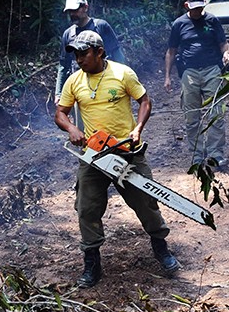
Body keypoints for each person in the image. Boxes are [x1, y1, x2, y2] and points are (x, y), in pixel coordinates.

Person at [55, 30, 181, 288]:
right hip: (93, 155)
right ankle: (92, 264)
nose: (79, 59)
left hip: (126, 151)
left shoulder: (123, 73)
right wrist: (71, 129)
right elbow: (60, 113)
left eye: (84, 54)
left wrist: (137, 129)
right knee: (87, 208)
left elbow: (145, 100)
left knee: (146, 201)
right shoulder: (73, 81)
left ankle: (161, 249)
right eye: (76, 55)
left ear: (99, 52)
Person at [164, 0, 229, 167]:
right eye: (194, 7)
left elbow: (223, 43)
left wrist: (226, 54)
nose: (197, 11)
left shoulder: (212, 20)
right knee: (192, 115)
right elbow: (171, 51)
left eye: (200, 7)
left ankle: (216, 153)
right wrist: (167, 77)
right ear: (186, 5)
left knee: (216, 112)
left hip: (212, 69)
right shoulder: (179, 24)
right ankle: (196, 154)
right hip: (190, 72)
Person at [54, 0, 125, 104]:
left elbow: (117, 55)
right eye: (70, 12)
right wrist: (59, 93)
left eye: (75, 10)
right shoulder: (68, 34)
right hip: (80, 87)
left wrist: (123, 80)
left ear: (85, 7)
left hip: (105, 81)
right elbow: (64, 65)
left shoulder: (101, 27)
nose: (73, 14)